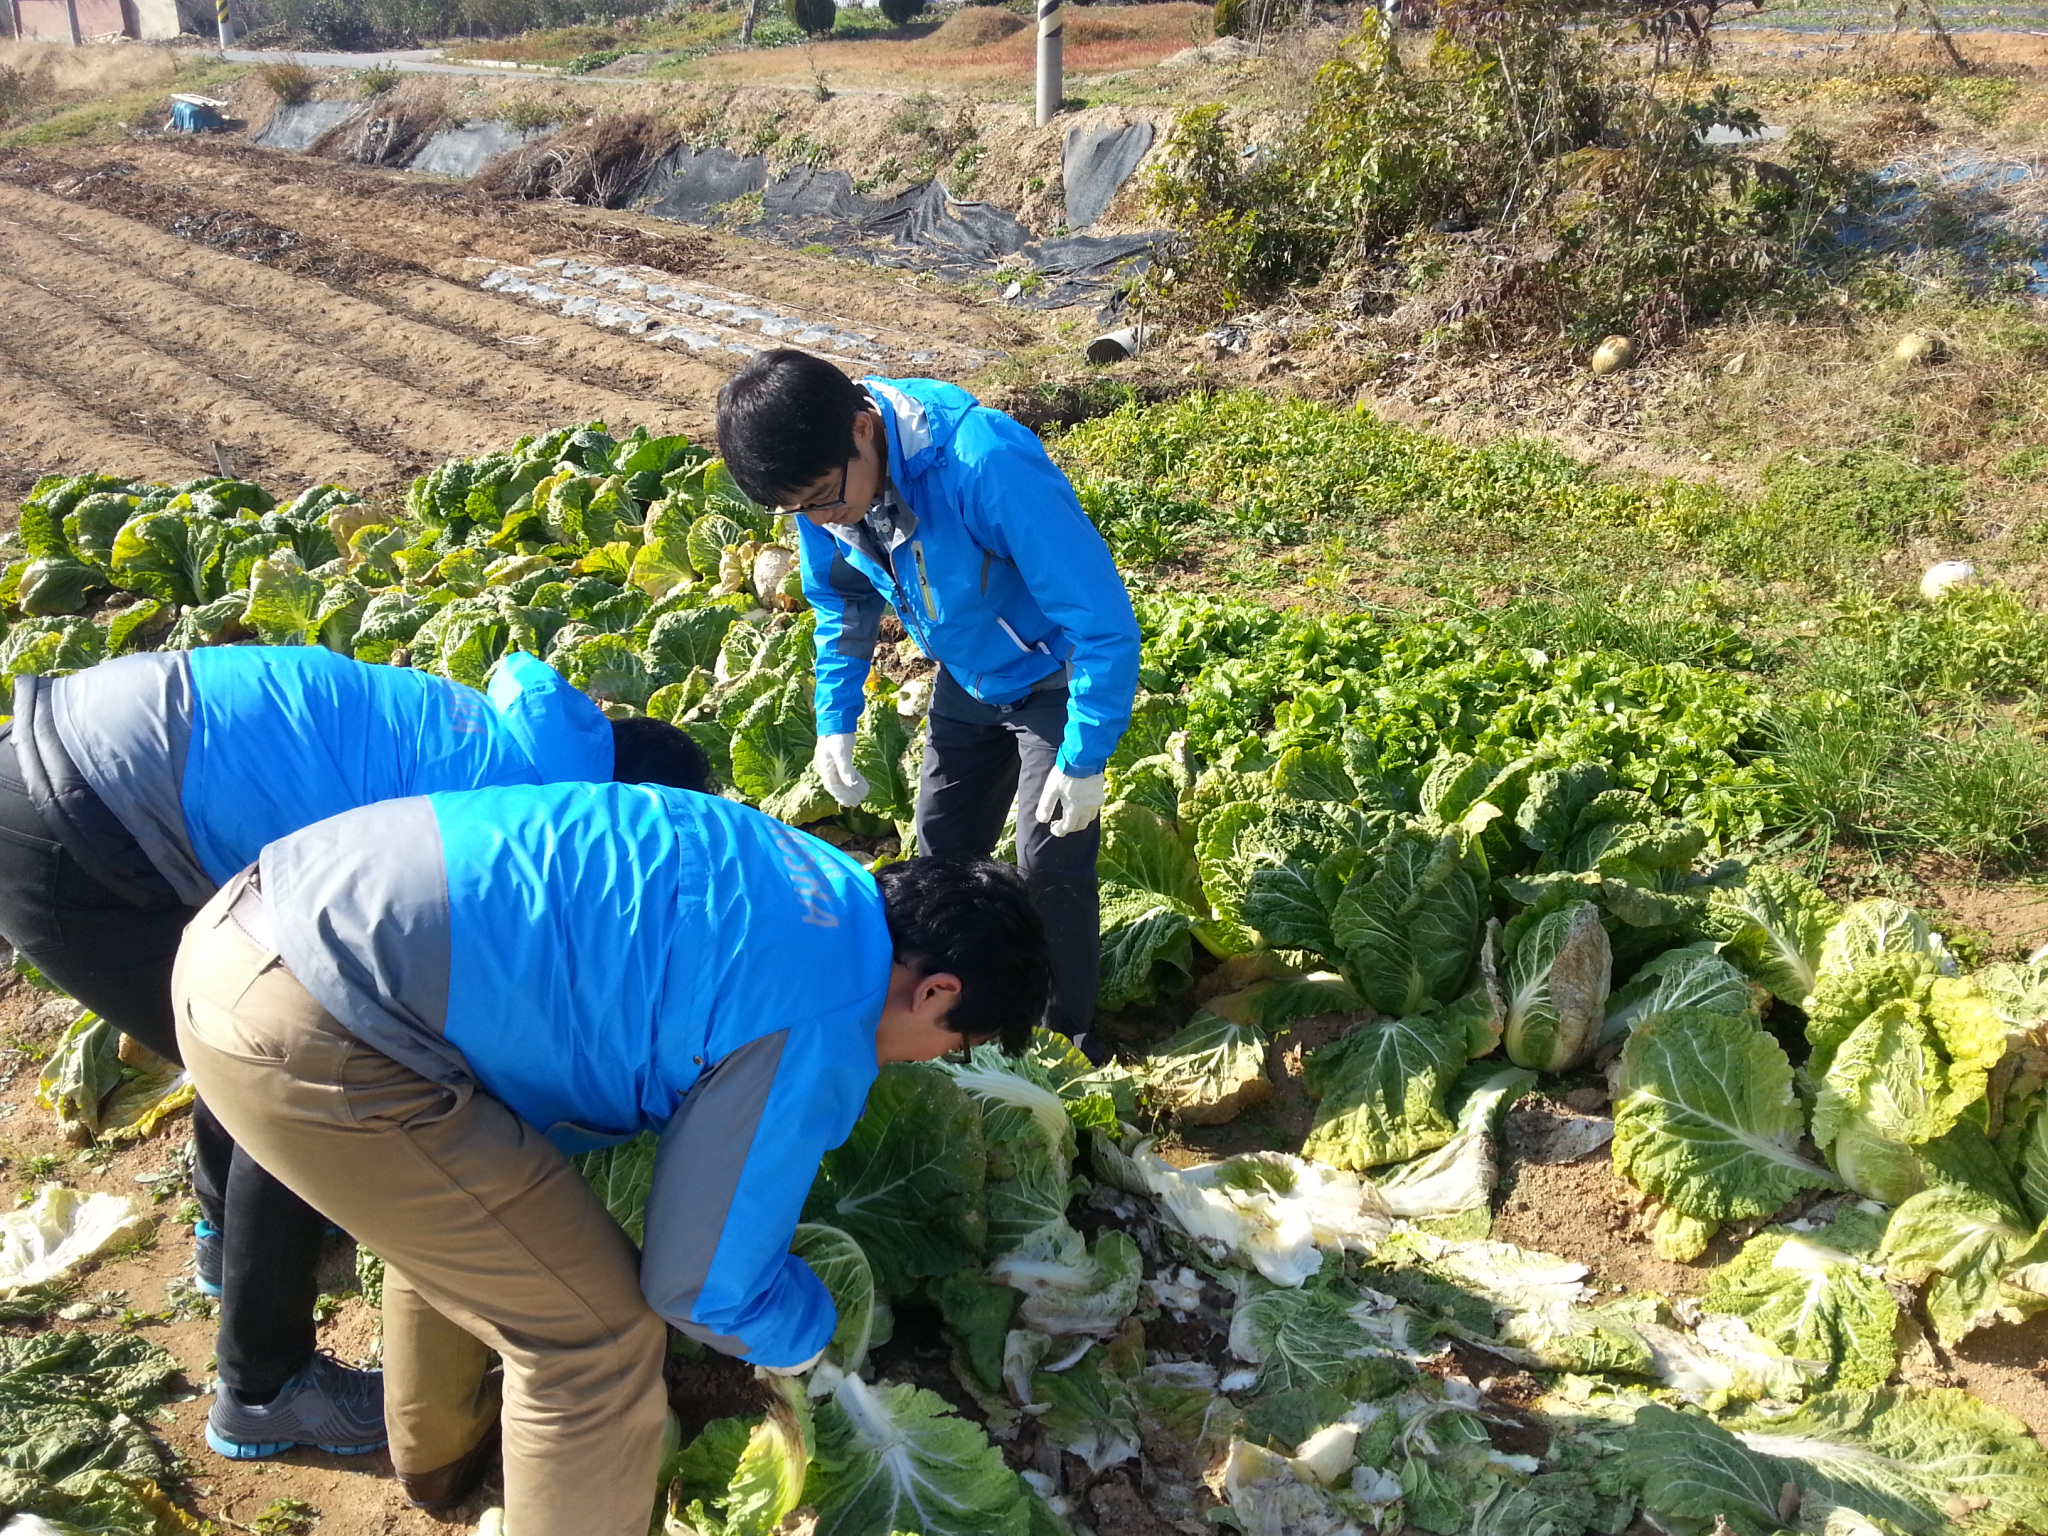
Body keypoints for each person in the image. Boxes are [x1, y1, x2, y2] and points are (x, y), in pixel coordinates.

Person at [171, 781, 1048, 1535]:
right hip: (321, 1027)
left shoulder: (804, 874)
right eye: (954, 1042)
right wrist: (814, 1337)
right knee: (591, 1336)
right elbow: (699, 1285)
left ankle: (443, 1460)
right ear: (936, 992)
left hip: (254, 923)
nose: (932, 1060)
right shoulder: (826, 1008)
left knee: (472, 1219)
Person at [0, 645, 710, 1471]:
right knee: (293, 1073)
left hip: (76, 752)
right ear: (622, 812)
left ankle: (225, 1246)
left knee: (243, 1013)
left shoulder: (504, 737)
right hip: (89, 830)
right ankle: (265, 1388)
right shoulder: (512, 814)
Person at [715, 349, 1139, 1054]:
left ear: (862, 429)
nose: (817, 519)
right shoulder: (824, 492)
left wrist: (1085, 755)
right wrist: (835, 719)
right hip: (966, 675)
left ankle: (1066, 1037)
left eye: (821, 496)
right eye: (797, 509)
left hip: (1052, 677)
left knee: (1049, 861)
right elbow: (840, 602)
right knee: (938, 856)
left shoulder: (983, 462)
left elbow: (1102, 622)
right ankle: (935, 1020)